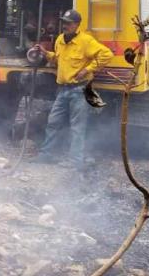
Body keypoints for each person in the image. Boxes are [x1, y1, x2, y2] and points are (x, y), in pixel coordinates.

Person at [33, 9, 113, 171]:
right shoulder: (61, 40)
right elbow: (57, 58)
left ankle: (75, 162)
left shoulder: (86, 41)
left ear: (77, 25)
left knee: (77, 127)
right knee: (53, 122)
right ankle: (46, 155)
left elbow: (107, 54)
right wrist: (45, 53)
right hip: (62, 90)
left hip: (79, 90)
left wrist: (89, 69)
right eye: (64, 22)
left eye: (69, 23)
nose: (65, 26)